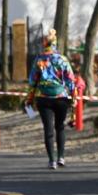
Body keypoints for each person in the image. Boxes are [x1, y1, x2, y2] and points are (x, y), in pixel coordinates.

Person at [26, 29, 77, 169]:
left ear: (44, 44)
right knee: (60, 127)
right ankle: (61, 157)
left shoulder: (39, 60)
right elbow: (71, 80)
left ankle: (51, 160)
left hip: (43, 98)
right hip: (61, 98)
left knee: (48, 129)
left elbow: (32, 81)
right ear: (55, 44)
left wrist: (29, 98)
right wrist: (73, 97)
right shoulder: (62, 59)